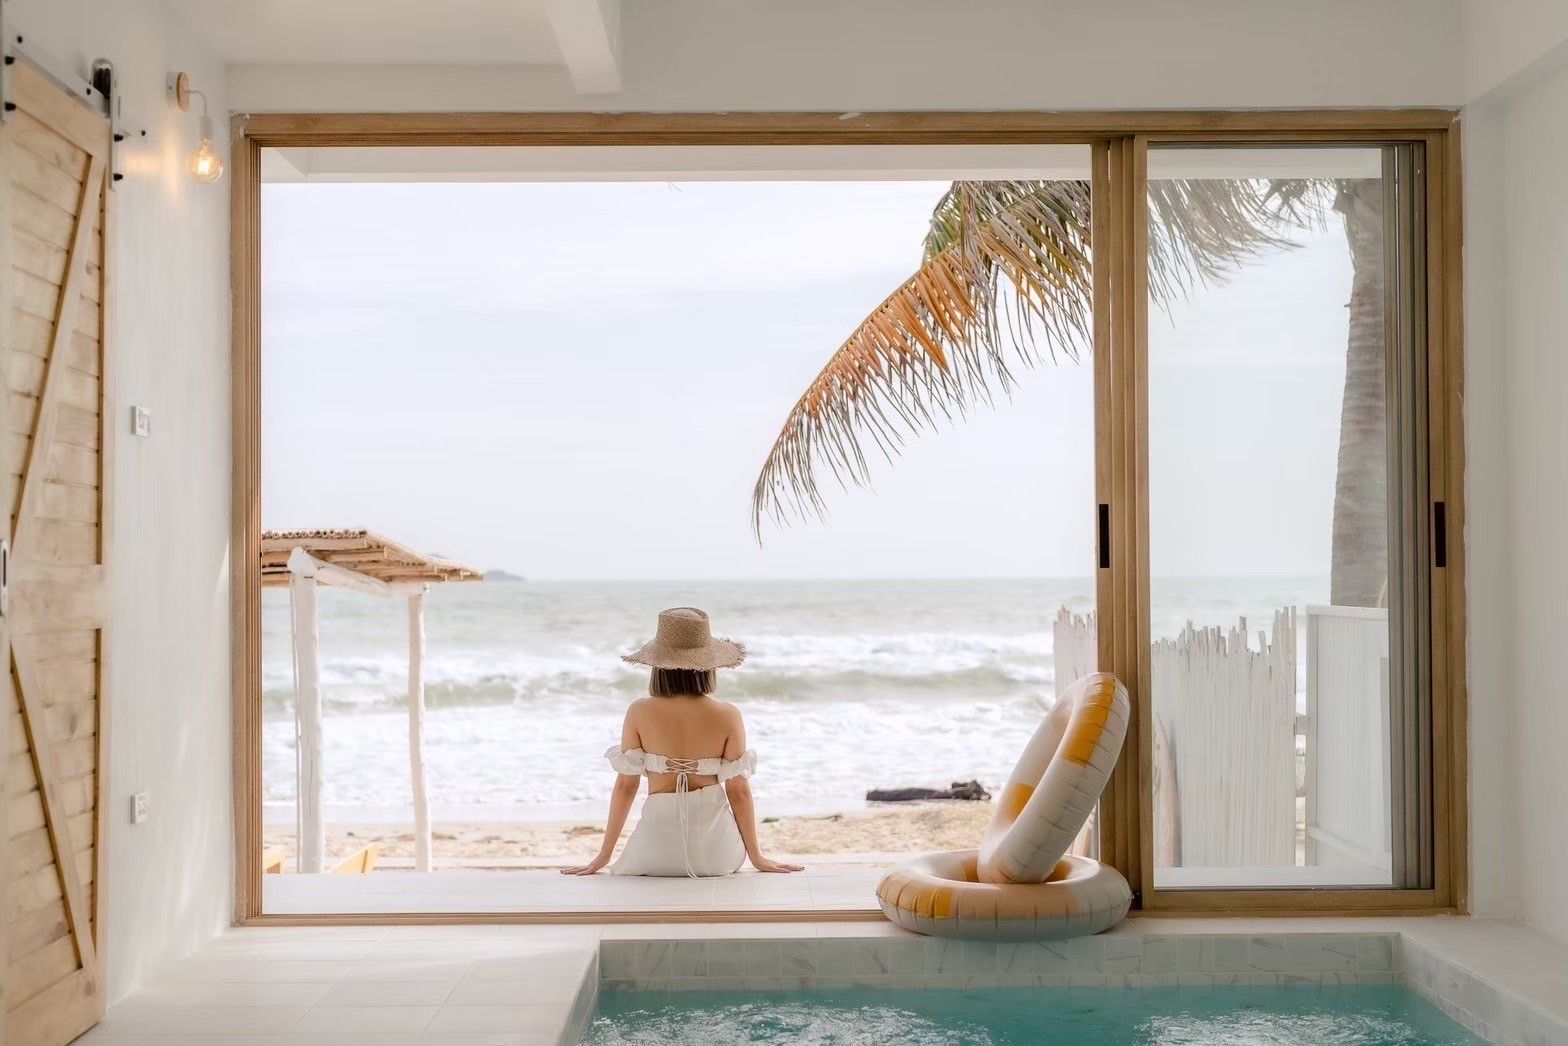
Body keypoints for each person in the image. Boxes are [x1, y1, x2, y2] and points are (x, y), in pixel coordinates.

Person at [562, 607, 804, 877]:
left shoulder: (639, 712)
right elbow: (738, 792)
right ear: (708, 666)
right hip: (717, 856)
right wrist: (757, 858)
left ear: (657, 666)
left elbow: (626, 787)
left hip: (654, 852)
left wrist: (603, 857)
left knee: (642, 850)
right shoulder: (727, 714)